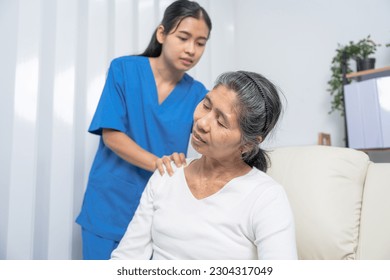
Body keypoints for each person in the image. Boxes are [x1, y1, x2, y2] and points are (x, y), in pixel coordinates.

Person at [76, 0, 212, 260]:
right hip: (108, 204)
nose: (191, 49)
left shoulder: (199, 95)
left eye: (200, 42)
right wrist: (160, 164)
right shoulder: (124, 70)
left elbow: (208, 143)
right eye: (183, 37)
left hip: (160, 210)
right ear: (162, 34)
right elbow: (112, 136)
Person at [111, 71, 298, 260]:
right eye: (206, 105)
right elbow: (127, 257)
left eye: (221, 122)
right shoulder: (167, 174)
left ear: (248, 144)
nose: (202, 122)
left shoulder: (266, 198)